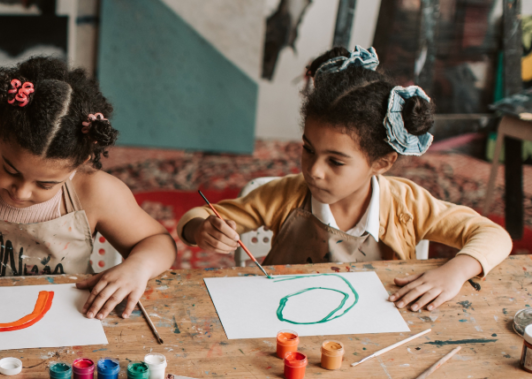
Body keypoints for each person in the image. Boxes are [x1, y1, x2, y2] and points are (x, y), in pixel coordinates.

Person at [179, 46, 512, 312]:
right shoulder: (283, 195)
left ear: (382, 162)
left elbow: (493, 234)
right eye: (308, 150)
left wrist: (455, 271)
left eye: (335, 161)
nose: (314, 170)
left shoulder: (407, 204)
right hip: (283, 327)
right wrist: (202, 230)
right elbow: (196, 216)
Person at [0, 57, 175, 319]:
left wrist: (138, 267)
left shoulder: (95, 192)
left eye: (45, 184)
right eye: (10, 170)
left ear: (80, 163)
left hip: (67, 314)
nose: (20, 192)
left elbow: (159, 243)